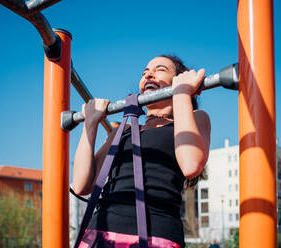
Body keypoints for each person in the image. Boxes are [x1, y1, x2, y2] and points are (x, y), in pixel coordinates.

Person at [71, 55, 211, 248]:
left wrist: (182, 93)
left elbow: (191, 164)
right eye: (144, 72)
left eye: (160, 69)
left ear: (179, 79)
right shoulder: (123, 130)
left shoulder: (195, 119)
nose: (149, 75)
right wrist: (90, 124)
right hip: (100, 230)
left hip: (156, 233)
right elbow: (81, 185)